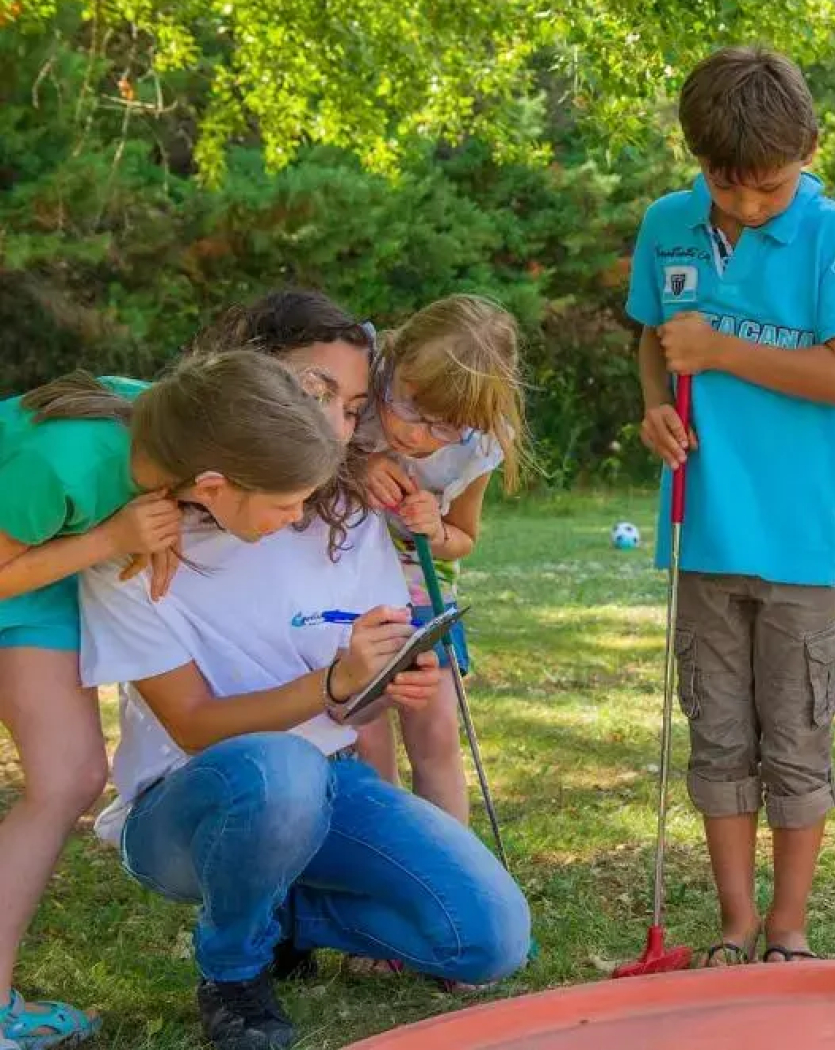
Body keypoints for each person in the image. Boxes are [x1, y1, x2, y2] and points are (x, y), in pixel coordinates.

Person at [78, 293, 531, 1050]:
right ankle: (235, 970)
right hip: (185, 811)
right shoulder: (142, 535)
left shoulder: (348, 516)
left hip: (326, 785)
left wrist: (386, 682)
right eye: (315, 393)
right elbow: (191, 721)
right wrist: (333, 687)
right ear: (247, 379)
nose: (335, 427)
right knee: (279, 768)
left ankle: (284, 911)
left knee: (490, 939)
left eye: (354, 408)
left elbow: (358, 685)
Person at [627, 45, 835, 965]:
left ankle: (788, 930)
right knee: (718, 735)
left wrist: (723, 348)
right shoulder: (666, 225)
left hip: (797, 542)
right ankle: (737, 926)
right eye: (726, 185)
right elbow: (657, 346)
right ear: (695, 158)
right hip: (699, 531)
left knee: (796, 738)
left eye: (768, 188)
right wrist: (656, 405)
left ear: (811, 149)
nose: (745, 204)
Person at [0, 350, 333, 1049]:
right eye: (286, 504)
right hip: (17, 564)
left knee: (70, 777)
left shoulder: (190, 426)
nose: (299, 516)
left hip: (44, 565)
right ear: (213, 484)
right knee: (65, 782)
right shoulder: (65, 464)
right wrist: (112, 537)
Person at [354, 294, 529, 823]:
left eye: (444, 427)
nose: (416, 435)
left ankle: (454, 867)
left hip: (422, 601)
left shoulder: (479, 444)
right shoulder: (354, 394)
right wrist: (356, 467)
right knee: (362, 731)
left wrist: (434, 526)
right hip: (350, 598)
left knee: (435, 738)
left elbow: (463, 537)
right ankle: (380, 852)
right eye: (409, 408)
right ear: (395, 360)